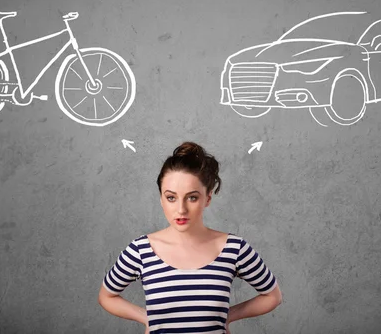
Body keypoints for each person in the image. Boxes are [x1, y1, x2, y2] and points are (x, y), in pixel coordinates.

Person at [98, 141, 282, 333]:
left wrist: (225, 317)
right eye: (171, 197)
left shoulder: (234, 248)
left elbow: (273, 296)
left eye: (192, 197)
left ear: (207, 198)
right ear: (161, 199)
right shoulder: (140, 250)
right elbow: (107, 296)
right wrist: (147, 319)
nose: (181, 209)